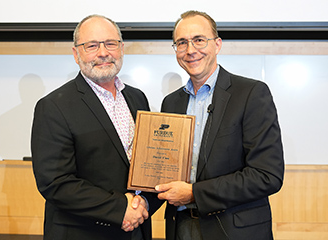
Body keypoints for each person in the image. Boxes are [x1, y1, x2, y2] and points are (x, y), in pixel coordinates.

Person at [155, 10, 285, 240]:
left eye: (199, 40)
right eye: (182, 43)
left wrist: (195, 194)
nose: (191, 50)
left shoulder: (251, 94)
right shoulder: (171, 102)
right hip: (182, 227)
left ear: (217, 44)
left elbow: (267, 175)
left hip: (234, 230)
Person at [31, 14, 159, 240]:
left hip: (136, 230)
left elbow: (146, 165)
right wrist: (121, 209)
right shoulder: (53, 106)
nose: (103, 53)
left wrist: (143, 203)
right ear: (76, 53)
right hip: (83, 233)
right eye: (92, 46)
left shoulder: (137, 99)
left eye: (110, 44)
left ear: (121, 48)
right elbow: (56, 183)